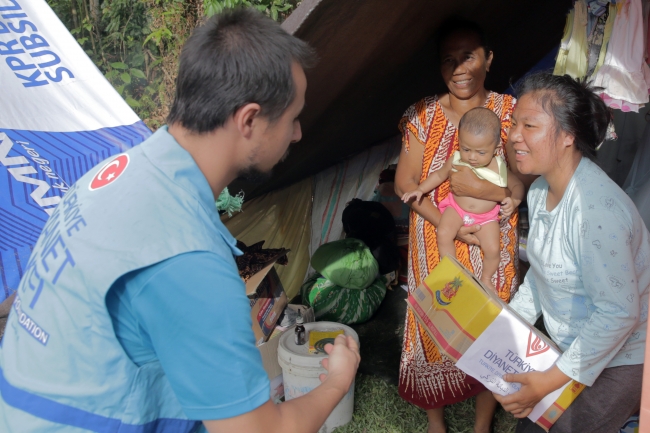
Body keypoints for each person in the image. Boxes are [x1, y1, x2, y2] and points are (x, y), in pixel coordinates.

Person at [0, 9, 360, 433]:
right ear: (249, 120)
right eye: (292, 118)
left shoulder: (113, 173)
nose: (297, 134)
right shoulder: (186, 256)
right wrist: (337, 379)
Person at [494, 73, 649, 433]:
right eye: (514, 123)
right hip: (566, 346)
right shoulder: (539, 191)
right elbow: (541, 272)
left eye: (529, 125)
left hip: (616, 358)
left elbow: (618, 314)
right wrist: (504, 328)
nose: (514, 135)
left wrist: (548, 381)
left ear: (567, 136)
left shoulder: (594, 211)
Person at [394, 18, 526, 433]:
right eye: (448, 60)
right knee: (436, 322)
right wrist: (446, 224)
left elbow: (520, 175)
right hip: (437, 237)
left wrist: (506, 194)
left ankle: (482, 423)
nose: (459, 68)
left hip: (493, 238)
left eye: (467, 56)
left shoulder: (509, 111)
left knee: (491, 323)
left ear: (488, 59)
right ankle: (437, 422)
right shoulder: (422, 115)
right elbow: (404, 183)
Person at [401, 107, 524, 292]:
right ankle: (451, 270)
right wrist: (419, 189)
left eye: (481, 152)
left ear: (496, 146)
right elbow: (438, 175)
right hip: (456, 209)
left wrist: (514, 201)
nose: (472, 157)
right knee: (443, 233)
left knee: (492, 249)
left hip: (487, 217)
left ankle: (486, 278)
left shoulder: (499, 166)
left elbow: (518, 186)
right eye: (466, 149)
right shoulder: (457, 159)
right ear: (459, 141)